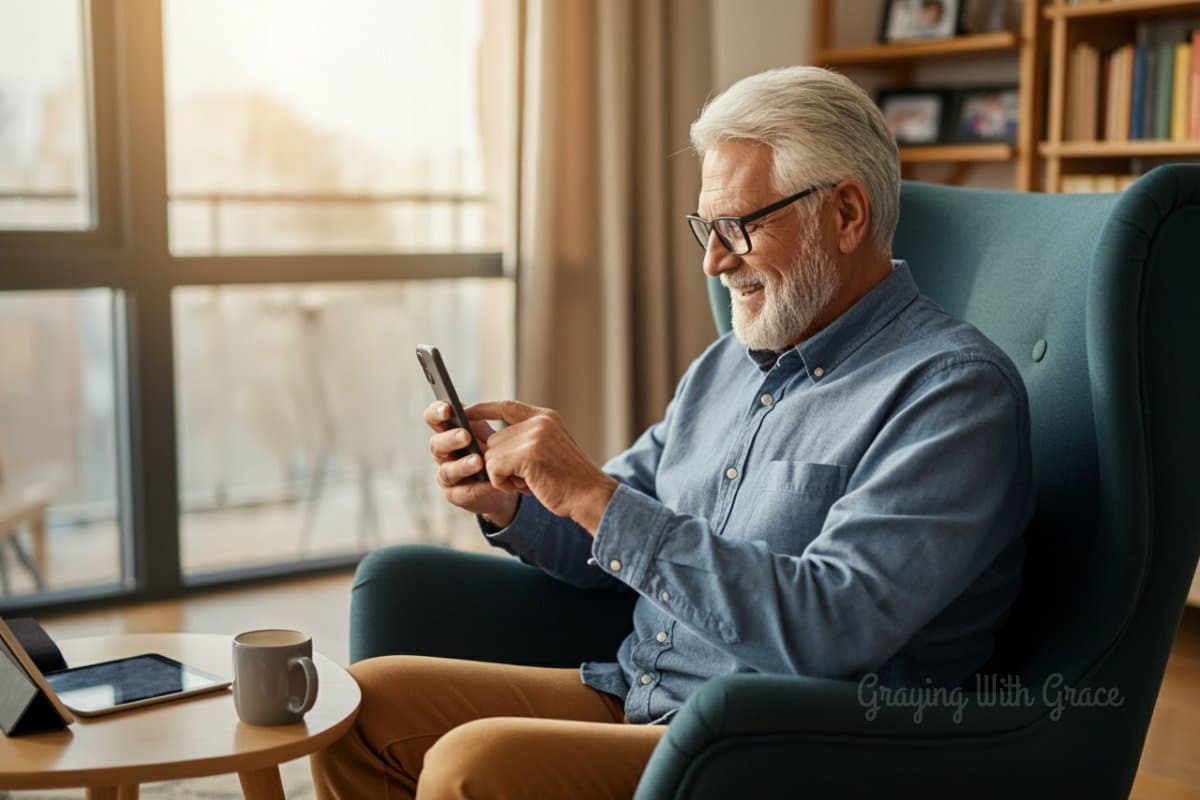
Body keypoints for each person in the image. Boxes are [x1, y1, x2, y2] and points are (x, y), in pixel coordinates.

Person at [310, 65, 1033, 799]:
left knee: (473, 767)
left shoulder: (951, 392)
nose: (713, 261)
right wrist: (514, 497)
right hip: (642, 700)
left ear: (846, 214)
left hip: (780, 750)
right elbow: (615, 538)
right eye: (706, 228)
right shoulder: (729, 366)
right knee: (362, 708)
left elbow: (833, 629)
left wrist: (593, 493)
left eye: (738, 228)